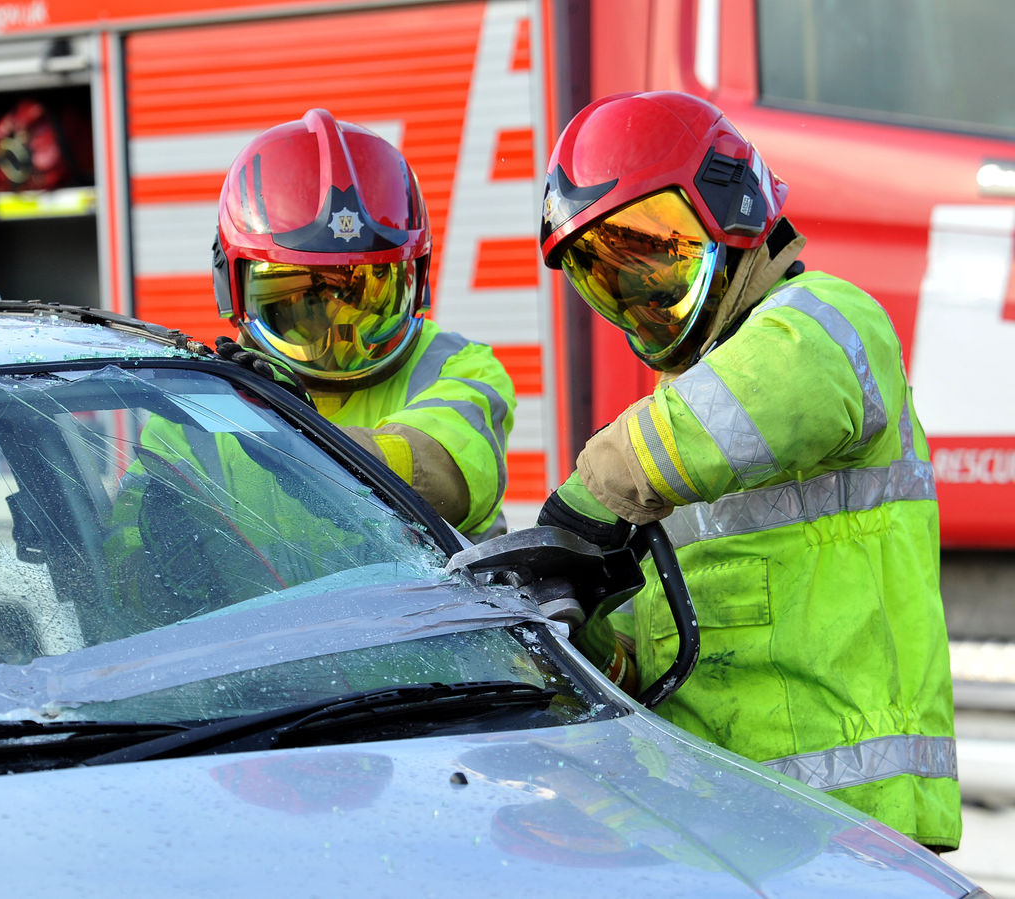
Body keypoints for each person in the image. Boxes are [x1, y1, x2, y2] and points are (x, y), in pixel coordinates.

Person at [535, 90, 960, 851]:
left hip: (850, 831)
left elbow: (765, 388)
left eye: (653, 264)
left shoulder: (824, 323)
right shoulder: (681, 417)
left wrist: (587, 498)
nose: (637, 299)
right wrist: (590, 634)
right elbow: (668, 637)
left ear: (731, 212)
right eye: (611, 283)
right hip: (735, 829)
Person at [211, 108, 515, 542]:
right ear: (233, 286)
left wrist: (304, 446)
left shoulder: (459, 366)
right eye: (307, 301)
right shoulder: (196, 399)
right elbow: (121, 557)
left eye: (364, 294)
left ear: (418, 280)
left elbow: (447, 473)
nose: (342, 332)